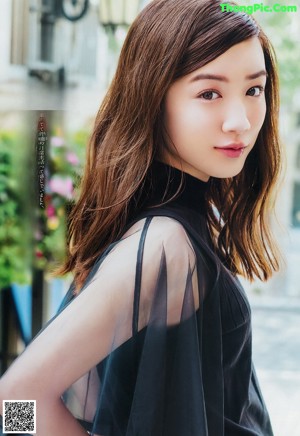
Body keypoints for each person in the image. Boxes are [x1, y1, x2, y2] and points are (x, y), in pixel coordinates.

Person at [0, 0, 282, 434]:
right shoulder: (164, 242)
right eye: (209, 93)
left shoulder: (180, 223)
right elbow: (15, 400)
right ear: (153, 97)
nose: (239, 120)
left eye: (254, 89)